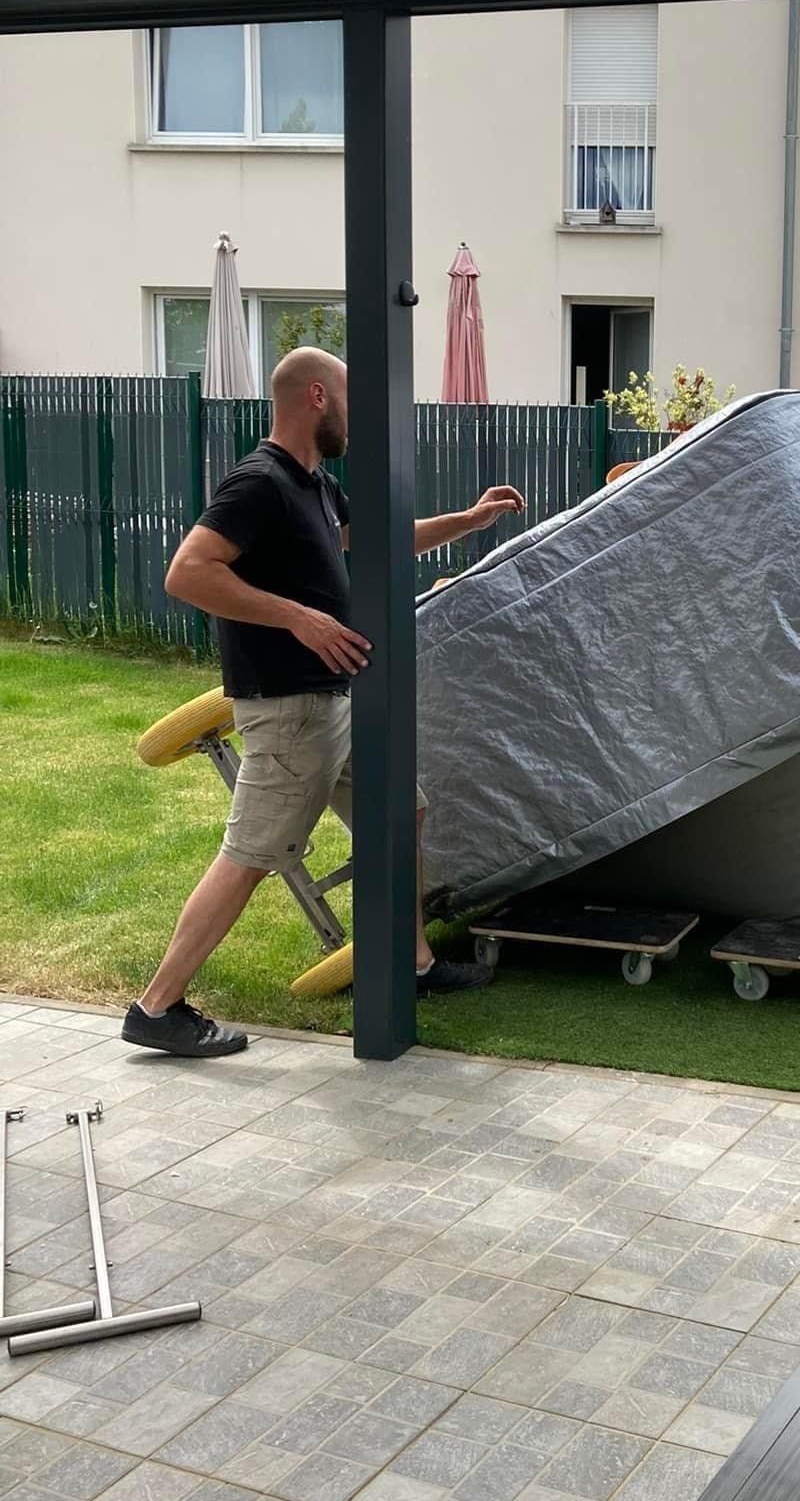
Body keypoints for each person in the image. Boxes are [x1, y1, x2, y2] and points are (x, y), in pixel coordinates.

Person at [122, 348, 526, 1059]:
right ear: (316, 397)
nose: (355, 415)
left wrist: (466, 521)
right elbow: (187, 573)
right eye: (348, 398)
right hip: (288, 710)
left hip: (332, 704)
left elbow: (378, 541)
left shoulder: (314, 485)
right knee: (252, 855)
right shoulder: (259, 482)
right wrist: (298, 618)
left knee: (402, 810)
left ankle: (412, 963)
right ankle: (156, 1007)